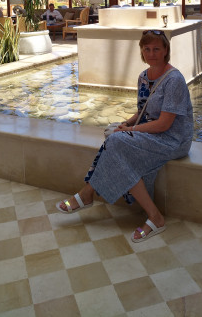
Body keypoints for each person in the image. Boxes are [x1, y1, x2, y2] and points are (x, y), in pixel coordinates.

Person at [56, 30, 194, 242]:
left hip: (173, 139)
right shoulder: (144, 77)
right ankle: (154, 217)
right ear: (141, 51)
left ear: (166, 50)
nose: (151, 54)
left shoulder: (174, 79)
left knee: (116, 141)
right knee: (117, 145)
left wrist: (130, 131)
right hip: (152, 133)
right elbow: (143, 112)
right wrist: (128, 123)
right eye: (147, 49)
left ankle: (87, 194)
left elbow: (164, 124)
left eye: (156, 49)